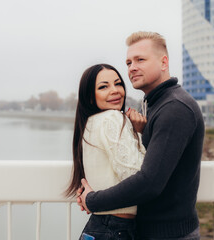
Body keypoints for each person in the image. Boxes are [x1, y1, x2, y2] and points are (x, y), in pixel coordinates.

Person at [77, 32, 205, 239]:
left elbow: (149, 182)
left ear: (164, 63)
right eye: (128, 62)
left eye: (140, 60)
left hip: (169, 234)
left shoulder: (174, 108)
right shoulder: (155, 104)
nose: (132, 68)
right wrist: (140, 133)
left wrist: (92, 200)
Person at [66, 63, 147, 240]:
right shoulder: (112, 118)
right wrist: (140, 134)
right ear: (90, 97)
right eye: (104, 87)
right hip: (116, 229)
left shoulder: (90, 122)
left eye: (118, 84)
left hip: (99, 227)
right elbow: (136, 176)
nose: (115, 90)